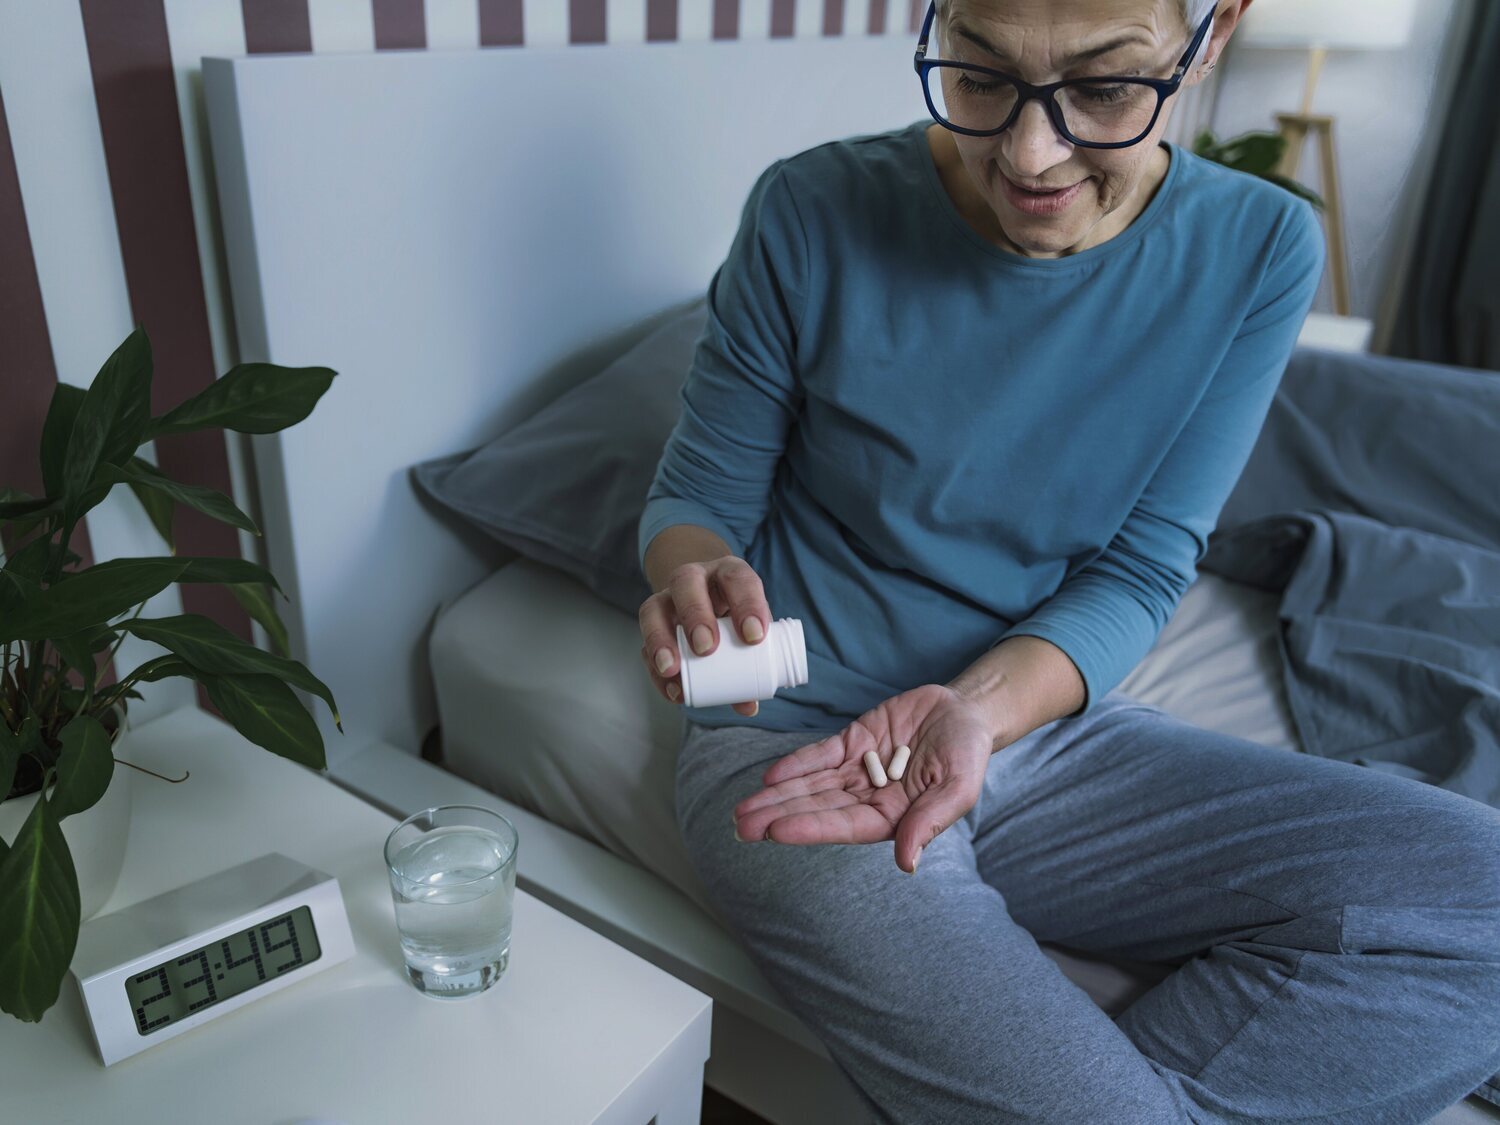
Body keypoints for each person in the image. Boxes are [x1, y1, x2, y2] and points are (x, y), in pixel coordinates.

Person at [635, 0, 1500, 1120]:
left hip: (1038, 729)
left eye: (1102, 89)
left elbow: (1144, 566)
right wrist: (693, 575)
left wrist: (982, 713)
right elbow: (701, 493)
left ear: (1213, 33)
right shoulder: (813, 209)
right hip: (807, 751)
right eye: (981, 77)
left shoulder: (1261, 247)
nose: (1029, 155)